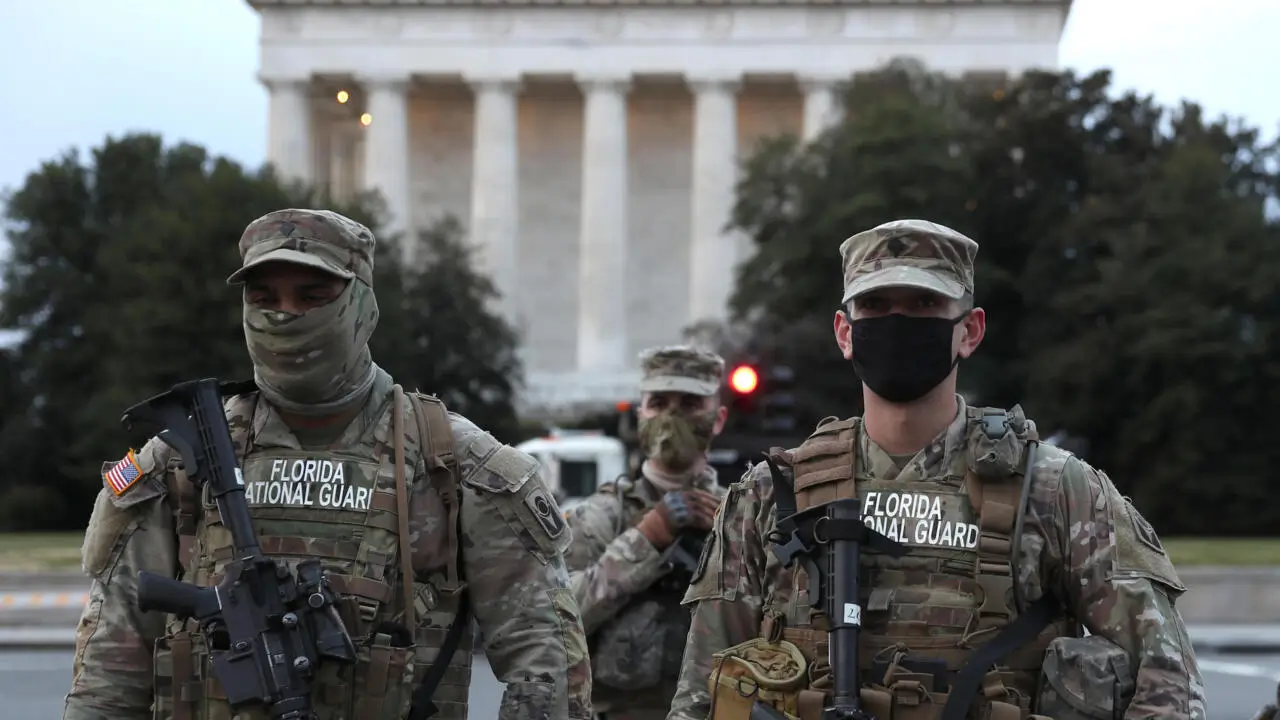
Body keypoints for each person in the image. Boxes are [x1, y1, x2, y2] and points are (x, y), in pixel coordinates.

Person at [667, 219, 1207, 720]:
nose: (899, 323)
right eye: (876, 305)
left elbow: (1167, 680)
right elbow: (703, 693)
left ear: (969, 330)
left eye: (925, 304)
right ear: (845, 331)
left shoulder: (1054, 490)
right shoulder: (770, 495)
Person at [63, 208, 592, 720]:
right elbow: (110, 671)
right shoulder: (179, 460)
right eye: (263, 296)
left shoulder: (456, 467)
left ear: (362, 304)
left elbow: (544, 665)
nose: (284, 315)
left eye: (312, 296)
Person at [563, 345, 729, 720]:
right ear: (641, 415)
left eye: (689, 404)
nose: (671, 417)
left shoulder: (742, 513)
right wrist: (647, 539)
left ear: (717, 419)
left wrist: (730, 542)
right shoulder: (602, 514)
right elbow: (558, 621)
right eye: (658, 403)